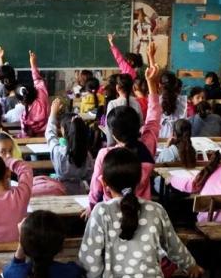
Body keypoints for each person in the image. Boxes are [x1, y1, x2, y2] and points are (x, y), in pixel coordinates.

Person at [79, 148, 203, 278]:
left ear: (104, 183)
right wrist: (191, 265)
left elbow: (89, 259)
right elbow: (173, 246)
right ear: (139, 182)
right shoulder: (155, 210)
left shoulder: (101, 212)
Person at [87, 55, 161, 213]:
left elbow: (96, 187)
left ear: (113, 134)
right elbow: (154, 117)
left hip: (111, 213)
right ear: (138, 126)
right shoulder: (147, 146)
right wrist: (151, 84)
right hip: (143, 212)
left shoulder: (105, 155)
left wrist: (91, 206)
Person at [46, 99, 93, 195]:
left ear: (63, 131)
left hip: (59, 192)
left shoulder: (58, 152)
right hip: (80, 193)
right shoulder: (86, 154)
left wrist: (53, 113)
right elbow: (90, 177)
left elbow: (50, 134)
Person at [17, 51, 49, 138]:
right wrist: (33, 64)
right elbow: (38, 80)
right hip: (47, 137)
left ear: (22, 102)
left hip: (32, 141)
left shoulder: (24, 117)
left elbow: (25, 135)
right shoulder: (42, 97)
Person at [158, 71, 187, 138]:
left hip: (159, 138)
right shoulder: (184, 101)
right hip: (179, 137)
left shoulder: (155, 101)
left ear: (159, 85)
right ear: (175, 84)